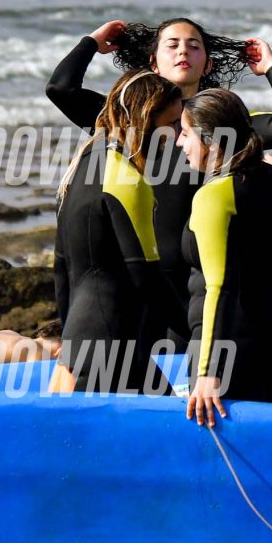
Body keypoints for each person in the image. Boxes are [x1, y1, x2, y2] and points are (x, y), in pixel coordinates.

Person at [46, 18, 272, 337]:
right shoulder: (128, 121)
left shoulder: (222, 124)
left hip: (199, 281)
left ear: (208, 64)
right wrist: (91, 43)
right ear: (153, 62)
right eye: (172, 45)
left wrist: (270, 67)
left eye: (194, 46)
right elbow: (60, 88)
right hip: (143, 283)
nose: (183, 51)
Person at [178, 89, 272, 424]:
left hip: (236, 343)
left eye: (185, 133)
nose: (179, 143)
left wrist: (209, 371)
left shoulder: (215, 194)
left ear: (211, 141)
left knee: (223, 449)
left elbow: (220, 287)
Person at [51, 71, 182, 394]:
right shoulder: (127, 181)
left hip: (85, 338)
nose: (177, 135)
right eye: (172, 123)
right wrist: (198, 333)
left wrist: (69, 341)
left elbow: (61, 269)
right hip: (112, 343)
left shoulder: (83, 164)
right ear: (146, 119)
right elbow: (148, 279)